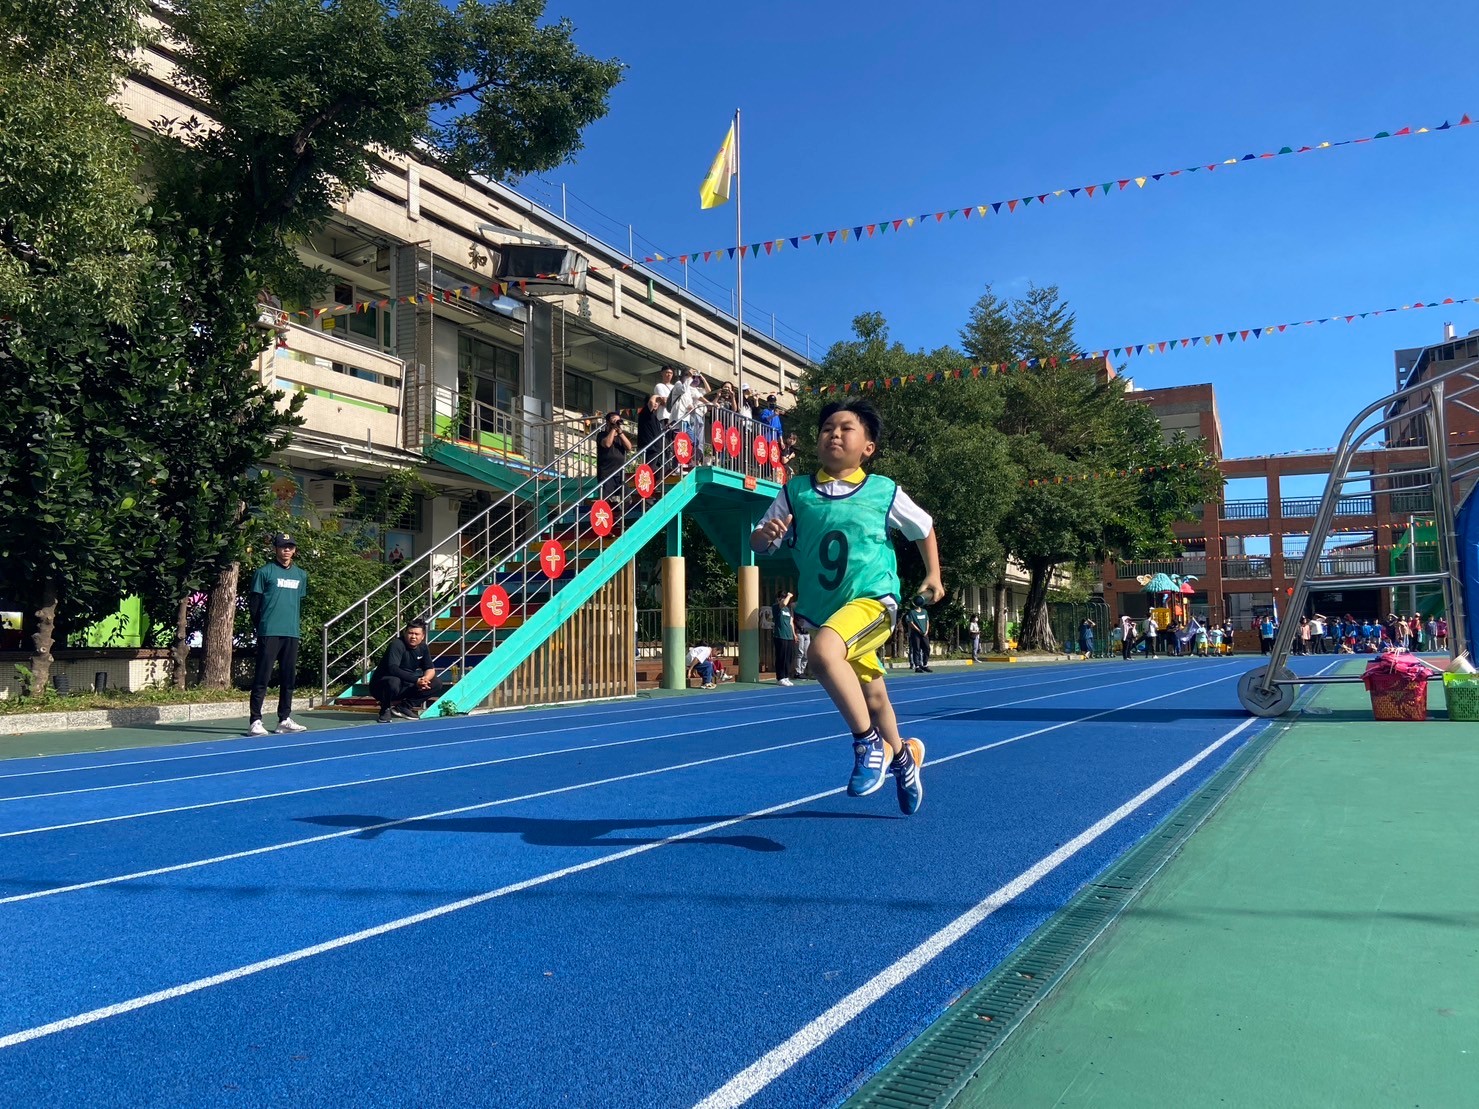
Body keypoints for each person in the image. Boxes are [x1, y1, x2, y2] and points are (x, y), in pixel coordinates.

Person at [750, 398, 941, 816]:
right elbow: (759, 542)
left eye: (846, 428)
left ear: (868, 447)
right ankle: (904, 756)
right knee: (874, 697)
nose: (834, 434)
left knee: (822, 655)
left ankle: (868, 744)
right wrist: (767, 534)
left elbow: (924, 527)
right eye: (827, 429)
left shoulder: (883, 490)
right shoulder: (796, 492)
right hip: (828, 613)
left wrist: (934, 574)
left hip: (873, 601)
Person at [246, 533, 309, 736]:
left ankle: (284, 718)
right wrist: (262, 626)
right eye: (283, 546)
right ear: (276, 549)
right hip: (270, 632)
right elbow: (254, 604)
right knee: (262, 677)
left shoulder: (301, 575)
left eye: (290, 547)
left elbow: (297, 601)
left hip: (291, 632)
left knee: (288, 678)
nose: (286, 550)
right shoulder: (264, 572)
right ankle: (255, 720)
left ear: (294, 550)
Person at [371, 619, 444, 723]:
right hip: (382, 686)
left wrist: (425, 679)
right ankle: (385, 709)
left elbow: (430, 669)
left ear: (422, 636)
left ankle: (404, 707)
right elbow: (393, 668)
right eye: (410, 633)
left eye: (416, 634)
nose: (413, 637)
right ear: (405, 633)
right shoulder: (397, 644)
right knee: (394, 681)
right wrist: (416, 680)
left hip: (406, 684)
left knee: (436, 683)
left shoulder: (423, 647)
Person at [771, 590, 797, 686]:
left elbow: (791, 622)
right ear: (778, 598)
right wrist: (789, 596)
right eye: (782, 597)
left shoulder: (788, 609)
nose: (784, 599)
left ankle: (786, 676)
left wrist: (794, 634)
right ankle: (780, 677)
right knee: (781, 657)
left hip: (788, 636)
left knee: (788, 658)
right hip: (780, 635)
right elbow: (784, 603)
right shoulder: (776, 606)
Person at [904, 597, 931, 672]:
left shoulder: (924, 611)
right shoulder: (912, 612)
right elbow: (911, 623)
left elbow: (927, 621)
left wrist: (926, 631)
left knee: (927, 648)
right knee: (916, 649)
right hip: (916, 634)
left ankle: (925, 664)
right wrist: (919, 630)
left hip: (924, 633)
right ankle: (917, 666)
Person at [636, 393, 665, 463]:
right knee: (650, 468)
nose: (656, 404)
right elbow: (651, 402)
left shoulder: (655, 418)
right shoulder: (645, 412)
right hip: (650, 448)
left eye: (657, 402)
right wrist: (657, 396)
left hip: (657, 449)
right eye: (655, 401)